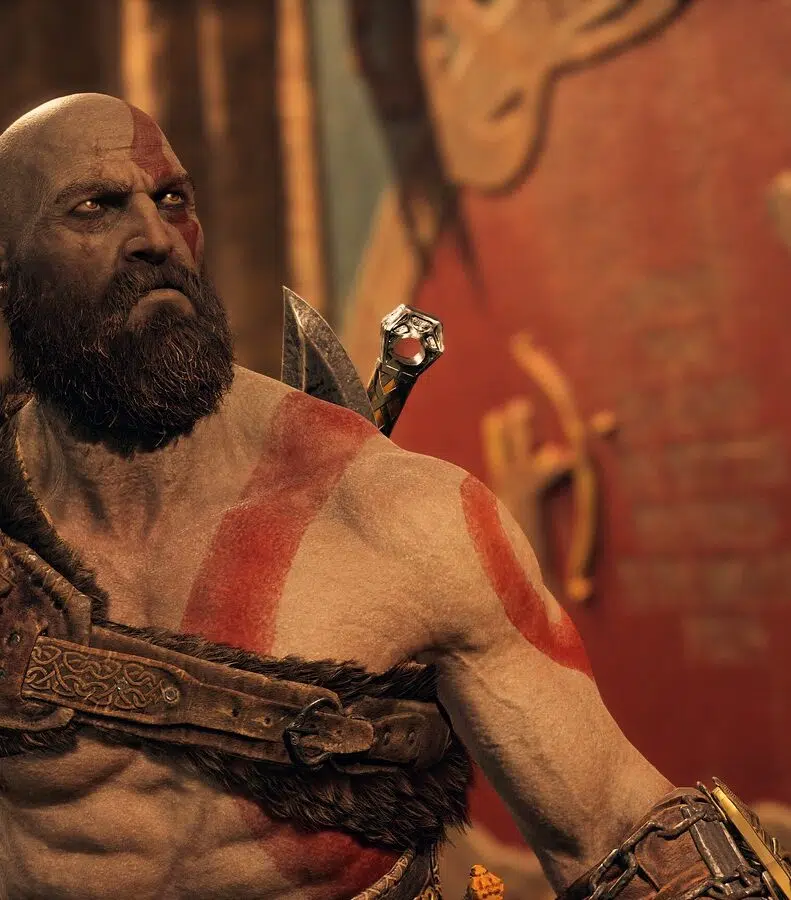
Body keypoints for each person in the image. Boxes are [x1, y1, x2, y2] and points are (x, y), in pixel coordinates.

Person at [0, 94, 773, 900]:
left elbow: (617, 831)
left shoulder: (395, 516)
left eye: (171, 200)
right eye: (95, 207)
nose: (154, 238)